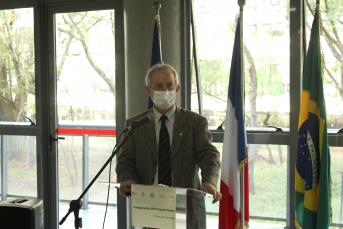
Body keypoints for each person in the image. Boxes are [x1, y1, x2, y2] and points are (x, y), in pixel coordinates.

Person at [116, 63, 222, 203]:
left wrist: (209, 182)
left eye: (170, 85)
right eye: (159, 86)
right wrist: (128, 179)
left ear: (177, 88)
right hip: (148, 203)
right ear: (148, 90)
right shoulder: (135, 124)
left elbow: (209, 156)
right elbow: (125, 160)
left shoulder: (195, 122)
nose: (165, 90)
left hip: (186, 203)